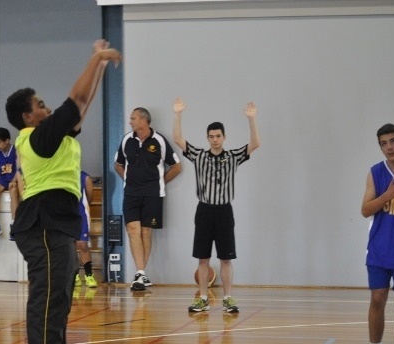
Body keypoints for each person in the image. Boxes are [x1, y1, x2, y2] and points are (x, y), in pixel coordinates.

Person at [5, 39, 121, 344]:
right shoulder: (37, 136)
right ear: (27, 116)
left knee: (59, 306)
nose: (47, 107)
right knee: (47, 305)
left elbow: (81, 105)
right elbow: (76, 97)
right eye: (39, 104)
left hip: (55, 227)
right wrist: (96, 58)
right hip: (42, 226)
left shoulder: (52, 135)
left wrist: (101, 65)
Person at [172, 98, 260, 314]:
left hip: (224, 211)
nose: (214, 140)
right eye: (211, 137)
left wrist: (251, 119)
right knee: (203, 257)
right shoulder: (199, 156)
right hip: (204, 210)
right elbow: (177, 139)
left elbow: (255, 144)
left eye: (218, 136)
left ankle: (228, 298)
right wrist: (178, 114)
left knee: (226, 258)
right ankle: (202, 298)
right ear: (207, 138)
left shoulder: (232, 157)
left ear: (224, 137)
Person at [114, 107, 182, 291]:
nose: (131, 122)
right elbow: (118, 164)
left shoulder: (159, 140)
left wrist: (160, 181)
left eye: (133, 118)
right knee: (132, 229)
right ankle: (141, 273)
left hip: (153, 194)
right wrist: (128, 179)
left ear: (144, 120)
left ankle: (141, 274)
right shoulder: (127, 140)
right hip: (131, 193)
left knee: (145, 232)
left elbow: (176, 166)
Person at [358, 123, 394, 344]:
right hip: (379, 250)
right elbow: (365, 210)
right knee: (377, 300)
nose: (389, 147)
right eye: (384, 143)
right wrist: (390, 194)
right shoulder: (376, 173)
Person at [74, 170, 98, 288]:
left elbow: (90, 198)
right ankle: (74, 275)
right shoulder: (58, 175)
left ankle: (89, 275)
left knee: (82, 244)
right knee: (68, 245)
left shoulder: (85, 177)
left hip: (81, 214)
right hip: (64, 215)